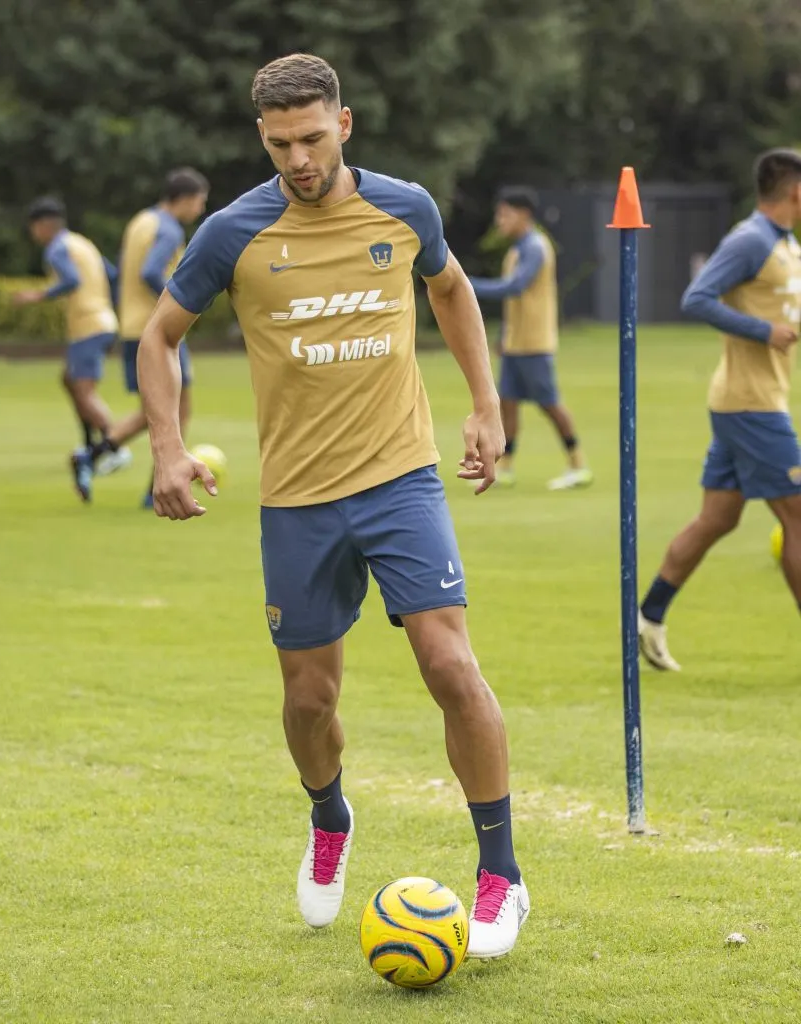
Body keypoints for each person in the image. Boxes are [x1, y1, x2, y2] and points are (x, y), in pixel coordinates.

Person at [136, 53, 529, 958]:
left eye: (312, 138)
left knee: (450, 665)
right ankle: (329, 814)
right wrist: (166, 447)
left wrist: (484, 404)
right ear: (261, 139)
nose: (298, 159)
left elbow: (451, 288)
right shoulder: (235, 232)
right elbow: (159, 339)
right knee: (308, 699)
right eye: (279, 144)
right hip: (298, 500)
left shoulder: (406, 208)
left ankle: (502, 876)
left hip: (401, 478)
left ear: (344, 125)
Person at [639, 148, 801, 671]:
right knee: (797, 516)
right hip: (751, 406)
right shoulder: (750, 239)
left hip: (748, 401)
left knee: (717, 518)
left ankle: (649, 617)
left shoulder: (785, 243)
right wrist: (765, 332)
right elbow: (697, 297)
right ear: (794, 191)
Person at [70, 168, 209, 506]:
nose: (200, 211)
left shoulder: (141, 221)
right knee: (178, 408)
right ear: (187, 199)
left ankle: (93, 455)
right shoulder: (169, 228)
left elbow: (123, 273)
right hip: (160, 328)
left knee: (155, 408)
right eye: (200, 202)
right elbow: (150, 272)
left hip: (133, 326)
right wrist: (181, 303)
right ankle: (157, 489)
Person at [466, 188, 592, 490]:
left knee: (549, 404)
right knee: (507, 404)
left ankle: (578, 464)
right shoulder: (516, 249)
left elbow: (516, 287)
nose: (500, 221)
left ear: (523, 214)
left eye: (505, 214)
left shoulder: (535, 246)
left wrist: (465, 285)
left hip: (535, 344)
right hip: (515, 344)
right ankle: (505, 467)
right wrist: (503, 336)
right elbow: (514, 302)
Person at [14, 197, 131, 486]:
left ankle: (115, 445)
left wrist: (37, 295)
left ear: (42, 226)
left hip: (87, 326)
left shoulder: (56, 249)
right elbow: (113, 275)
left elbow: (71, 280)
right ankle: (90, 442)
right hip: (103, 322)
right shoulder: (82, 243)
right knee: (70, 380)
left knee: (85, 390)